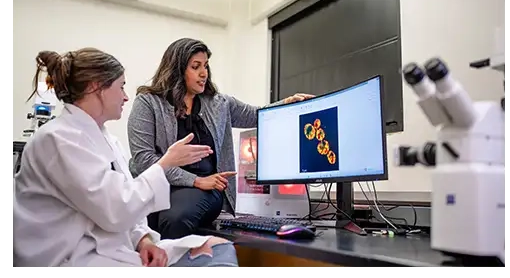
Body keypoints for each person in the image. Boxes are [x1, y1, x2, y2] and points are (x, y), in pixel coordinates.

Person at [13, 48, 240, 270]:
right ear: (96, 87)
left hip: (108, 250)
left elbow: (124, 204)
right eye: (120, 86)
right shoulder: (60, 139)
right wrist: (166, 163)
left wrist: (144, 241)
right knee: (214, 263)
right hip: (72, 260)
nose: (126, 96)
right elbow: (117, 208)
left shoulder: (107, 140)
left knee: (216, 246)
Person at [128, 37, 313, 239]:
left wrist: (287, 103)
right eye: (195, 66)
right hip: (163, 185)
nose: (203, 73)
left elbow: (256, 115)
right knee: (145, 221)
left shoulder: (219, 103)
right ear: (177, 69)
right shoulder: (148, 103)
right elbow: (144, 160)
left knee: (176, 219)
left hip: (209, 187)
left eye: (205, 66)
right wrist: (195, 180)